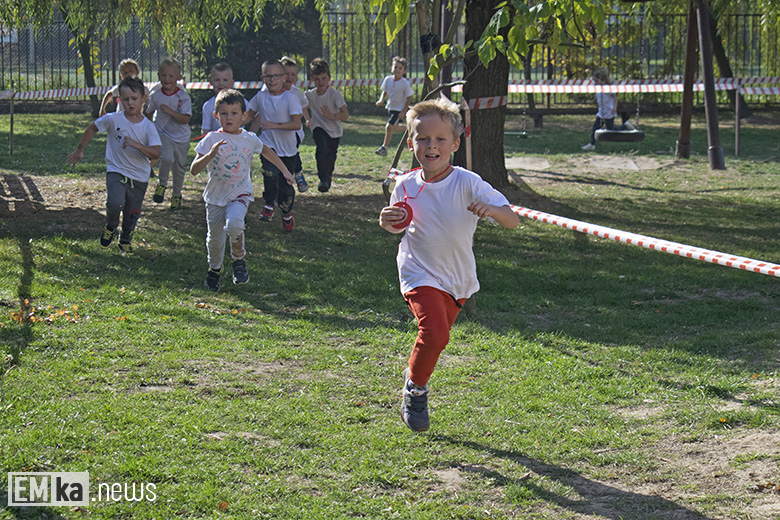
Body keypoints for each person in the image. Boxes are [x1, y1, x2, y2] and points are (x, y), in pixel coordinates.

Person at [379, 97, 519, 432]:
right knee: (435, 331)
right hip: (418, 271)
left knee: (439, 339)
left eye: (440, 139)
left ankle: (415, 374)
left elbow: (511, 220)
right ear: (412, 143)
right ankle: (415, 391)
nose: (431, 146)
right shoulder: (405, 184)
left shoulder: (468, 182)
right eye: (423, 139)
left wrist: (493, 211)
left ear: (455, 144)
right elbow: (398, 224)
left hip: (456, 278)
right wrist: (388, 220)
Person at [191, 89, 295, 291]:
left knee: (235, 223)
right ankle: (214, 271)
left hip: (240, 194)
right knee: (215, 240)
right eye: (224, 114)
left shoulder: (249, 139)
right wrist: (210, 155)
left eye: (234, 113)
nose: (229, 118)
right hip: (215, 197)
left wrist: (285, 171)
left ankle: (239, 260)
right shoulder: (211, 139)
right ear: (216, 116)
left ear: (244, 116)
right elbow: (194, 170)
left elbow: (267, 151)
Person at [67, 77, 161, 253]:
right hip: (116, 170)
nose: (130, 103)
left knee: (132, 212)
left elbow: (156, 152)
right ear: (120, 100)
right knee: (115, 202)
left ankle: (125, 237)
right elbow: (92, 128)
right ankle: (110, 226)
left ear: (143, 99)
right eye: (126, 99)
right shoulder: (113, 119)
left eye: (134, 99)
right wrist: (80, 150)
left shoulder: (149, 127)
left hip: (139, 176)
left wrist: (137, 145)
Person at [247, 59, 302, 231]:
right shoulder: (260, 97)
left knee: (286, 188)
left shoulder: (290, 98)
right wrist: (230, 122)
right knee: (270, 175)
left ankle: (287, 212)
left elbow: (296, 124)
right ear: (262, 78)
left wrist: (275, 125)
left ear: (284, 77)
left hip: (288, 151)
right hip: (268, 146)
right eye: (268, 76)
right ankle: (269, 203)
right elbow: (248, 116)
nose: (272, 80)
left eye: (276, 76)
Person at [145, 57, 192, 209]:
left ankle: (177, 195)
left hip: (182, 138)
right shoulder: (156, 95)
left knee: (179, 168)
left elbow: (185, 119)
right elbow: (147, 113)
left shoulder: (183, 97)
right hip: (163, 134)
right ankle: (162, 184)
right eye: (164, 75)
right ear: (158, 76)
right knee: (166, 158)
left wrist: (170, 112)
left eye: (171, 76)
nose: (167, 79)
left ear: (178, 77)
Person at [305, 58, 349, 193]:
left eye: (323, 78)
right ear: (312, 79)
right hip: (318, 127)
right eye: (317, 79)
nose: (320, 82)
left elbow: (345, 115)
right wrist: (307, 119)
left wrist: (331, 116)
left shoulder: (334, 94)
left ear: (329, 78)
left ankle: (328, 176)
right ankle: (323, 179)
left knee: (331, 154)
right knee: (322, 149)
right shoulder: (309, 95)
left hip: (334, 130)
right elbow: (301, 106)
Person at [581, 68, 635, 151]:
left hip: (609, 112)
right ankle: (592, 144)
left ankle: (625, 126)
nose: (595, 83)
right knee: (595, 128)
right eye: (595, 81)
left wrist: (614, 108)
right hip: (601, 112)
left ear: (604, 80)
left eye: (597, 81)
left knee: (611, 129)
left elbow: (615, 97)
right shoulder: (598, 88)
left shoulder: (607, 88)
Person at [281, 56, 310, 193]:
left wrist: (308, 119)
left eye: (293, 74)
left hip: (294, 132)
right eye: (286, 74)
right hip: (277, 132)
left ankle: (298, 173)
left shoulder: (296, 93)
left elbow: (304, 107)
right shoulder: (272, 90)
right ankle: (281, 180)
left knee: (292, 151)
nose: (289, 77)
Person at [374, 56, 413, 157]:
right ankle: (410, 128)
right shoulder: (388, 80)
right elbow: (385, 91)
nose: (397, 70)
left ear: (404, 71)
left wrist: (403, 111)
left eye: (400, 68)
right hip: (391, 107)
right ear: (392, 68)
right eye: (395, 67)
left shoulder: (405, 83)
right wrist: (381, 100)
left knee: (389, 126)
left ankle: (384, 148)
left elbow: (409, 97)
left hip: (398, 109)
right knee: (394, 127)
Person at [201, 62, 234, 135]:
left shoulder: (241, 102)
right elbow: (205, 130)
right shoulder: (208, 106)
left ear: (232, 83)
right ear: (211, 81)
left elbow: (254, 115)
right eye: (217, 80)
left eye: (225, 80)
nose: (221, 83)